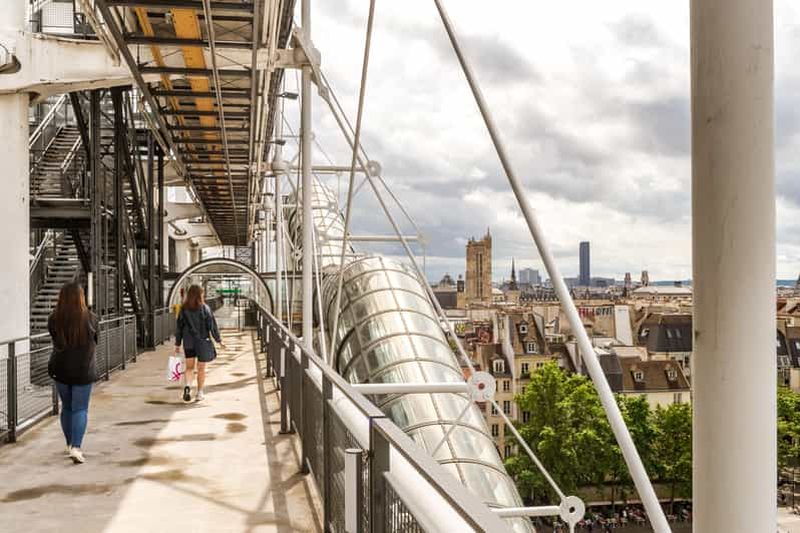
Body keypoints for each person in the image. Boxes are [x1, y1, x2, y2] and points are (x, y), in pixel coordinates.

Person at [47, 282, 98, 464]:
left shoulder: (54, 318)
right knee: (80, 409)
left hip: (60, 369)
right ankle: (76, 447)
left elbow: (54, 339)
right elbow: (95, 341)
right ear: (81, 298)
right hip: (83, 370)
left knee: (67, 408)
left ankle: (69, 444)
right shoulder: (91, 318)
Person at [175, 285, 223, 403]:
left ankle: (187, 386)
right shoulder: (205, 308)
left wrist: (177, 343)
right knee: (201, 368)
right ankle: (199, 393)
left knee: (189, 367)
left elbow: (179, 328)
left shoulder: (183, 309)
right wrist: (218, 340)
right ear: (200, 295)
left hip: (188, 342)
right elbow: (212, 326)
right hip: (202, 342)